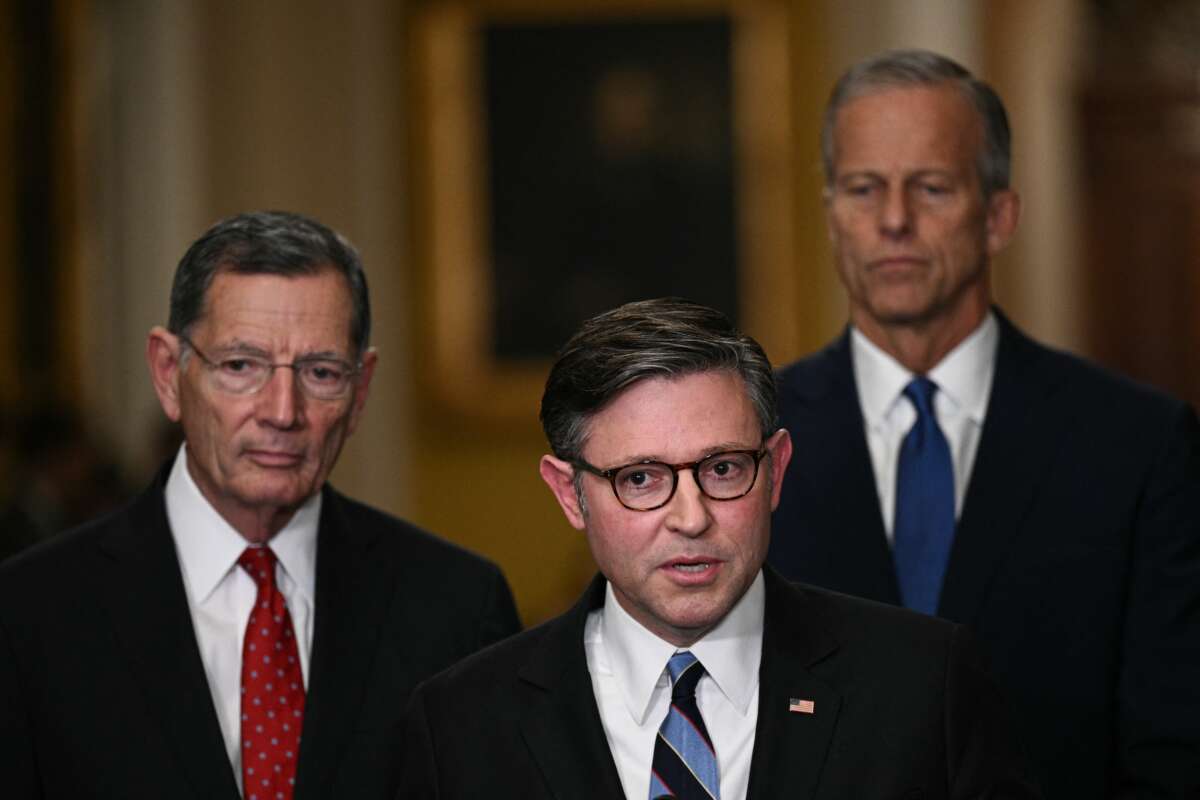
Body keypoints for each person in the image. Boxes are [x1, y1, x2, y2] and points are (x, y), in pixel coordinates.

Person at [766, 49, 1200, 798]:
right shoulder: (743, 442)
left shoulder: (1140, 445)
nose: (894, 220)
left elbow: (1174, 755)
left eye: (931, 187)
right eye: (864, 189)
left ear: (999, 216)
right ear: (832, 214)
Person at [397, 298, 1039, 799]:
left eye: (724, 469)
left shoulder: (922, 688)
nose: (691, 517)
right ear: (570, 494)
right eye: (640, 479)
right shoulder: (461, 724)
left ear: (776, 470)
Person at [0, 211, 521, 799]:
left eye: (321, 372)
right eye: (241, 366)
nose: (282, 411)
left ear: (360, 391)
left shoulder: (457, 608)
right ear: (169, 373)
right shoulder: (28, 615)